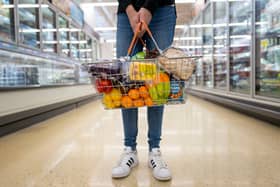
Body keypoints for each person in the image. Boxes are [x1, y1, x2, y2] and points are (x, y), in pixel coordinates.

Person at [112, 0, 176, 181]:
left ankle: (154, 151)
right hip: (127, 12)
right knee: (127, 80)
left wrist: (149, 7)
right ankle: (129, 150)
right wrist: (131, 11)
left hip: (162, 9)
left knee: (157, 79)